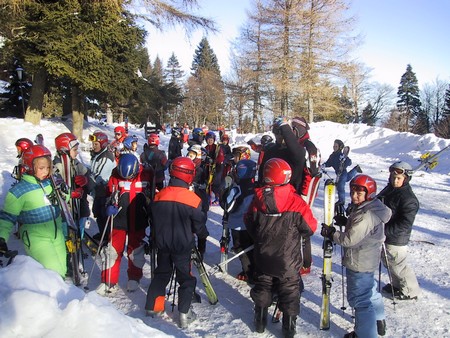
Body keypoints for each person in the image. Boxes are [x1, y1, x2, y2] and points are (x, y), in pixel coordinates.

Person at [245, 158, 317, 337]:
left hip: (263, 256)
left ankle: (260, 322)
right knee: (290, 290)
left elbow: (249, 222)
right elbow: (310, 228)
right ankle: (288, 328)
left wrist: (260, 238)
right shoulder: (296, 202)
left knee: (263, 285)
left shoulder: (257, 199)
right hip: (288, 260)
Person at [321, 174, 392, 338]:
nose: (354, 196)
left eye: (359, 193)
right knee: (370, 292)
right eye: (352, 191)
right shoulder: (373, 207)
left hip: (359, 262)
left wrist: (332, 233)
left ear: (369, 194)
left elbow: (349, 239)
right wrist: (346, 222)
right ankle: (378, 322)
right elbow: (363, 231)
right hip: (368, 260)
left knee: (360, 301)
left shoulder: (365, 215)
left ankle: (365, 334)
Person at [145, 157, 209, 329]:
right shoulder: (193, 199)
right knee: (186, 279)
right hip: (182, 246)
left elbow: (153, 218)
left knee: (162, 274)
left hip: (163, 244)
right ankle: (184, 313)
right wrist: (204, 235)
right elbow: (199, 225)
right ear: (188, 174)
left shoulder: (159, 195)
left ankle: (153, 307)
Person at [0, 145, 67, 277]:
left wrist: (65, 192)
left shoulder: (50, 183)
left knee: (62, 270)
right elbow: (7, 217)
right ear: (30, 167)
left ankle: (56, 296)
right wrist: (1, 237)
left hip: (56, 232)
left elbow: (63, 200)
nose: (46, 171)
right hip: (36, 236)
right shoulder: (19, 191)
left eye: (48, 167)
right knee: (53, 273)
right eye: (41, 168)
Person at [96, 154, 154, 295]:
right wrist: (108, 205)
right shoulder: (115, 175)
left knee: (136, 251)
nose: (127, 179)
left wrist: (152, 208)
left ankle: (134, 277)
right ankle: (108, 280)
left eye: (130, 176)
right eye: (124, 177)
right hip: (118, 220)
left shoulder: (146, 174)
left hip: (138, 219)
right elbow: (109, 194)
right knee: (112, 251)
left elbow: (153, 192)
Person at [378, 161, 421, 300]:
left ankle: (410, 291)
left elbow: (405, 223)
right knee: (389, 263)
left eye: (398, 178)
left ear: (406, 179)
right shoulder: (389, 189)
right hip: (386, 234)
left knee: (398, 265)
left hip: (396, 238)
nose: (395, 180)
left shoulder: (408, 198)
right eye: (393, 177)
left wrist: (385, 231)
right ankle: (397, 285)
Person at [53, 133, 91, 277]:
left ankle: (75, 256)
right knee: (65, 237)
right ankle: (67, 261)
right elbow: (56, 187)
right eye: (74, 149)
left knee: (77, 234)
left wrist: (86, 181)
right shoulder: (57, 165)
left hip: (79, 207)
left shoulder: (76, 163)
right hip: (65, 210)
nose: (77, 152)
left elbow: (90, 177)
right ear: (65, 149)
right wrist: (70, 192)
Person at [221, 159, 257, 283]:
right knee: (252, 247)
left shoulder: (237, 188)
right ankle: (255, 270)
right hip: (252, 224)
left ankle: (249, 273)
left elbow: (228, 206)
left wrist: (225, 193)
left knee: (241, 248)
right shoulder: (256, 186)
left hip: (238, 225)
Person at [89, 131, 116, 241]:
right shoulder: (97, 155)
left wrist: (88, 181)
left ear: (103, 144)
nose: (93, 146)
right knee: (98, 212)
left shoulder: (106, 157)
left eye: (96, 144)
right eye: (93, 144)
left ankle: (108, 237)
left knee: (104, 214)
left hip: (105, 190)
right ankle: (102, 234)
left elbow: (101, 176)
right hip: (98, 190)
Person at [321, 139, 361, 205]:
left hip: (342, 173)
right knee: (347, 179)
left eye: (336, 146)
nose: (334, 147)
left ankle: (341, 201)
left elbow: (349, 162)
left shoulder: (341, 155)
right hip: (338, 173)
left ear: (340, 147)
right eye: (333, 146)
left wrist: (344, 161)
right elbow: (329, 163)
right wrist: (324, 165)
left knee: (340, 186)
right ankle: (356, 169)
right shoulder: (332, 156)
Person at [186, 144, 209, 257]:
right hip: (188, 200)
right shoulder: (187, 167)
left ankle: (201, 249)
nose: (189, 157)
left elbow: (205, 183)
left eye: (192, 155)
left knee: (200, 226)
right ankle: (190, 248)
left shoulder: (200, 169)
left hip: (199, 200)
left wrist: (197, 185)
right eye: (188, 155)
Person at [204, 131, 225, 205]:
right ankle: (208, 197)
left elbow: (221, 158)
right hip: (208, 167)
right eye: (208, 139)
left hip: (216, 168)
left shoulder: (217, 148)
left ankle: (217, 197)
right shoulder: (205, 148)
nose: (210, 141)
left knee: (216, 183)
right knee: (208, 182)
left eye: (211, 140)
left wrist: (215, 161)